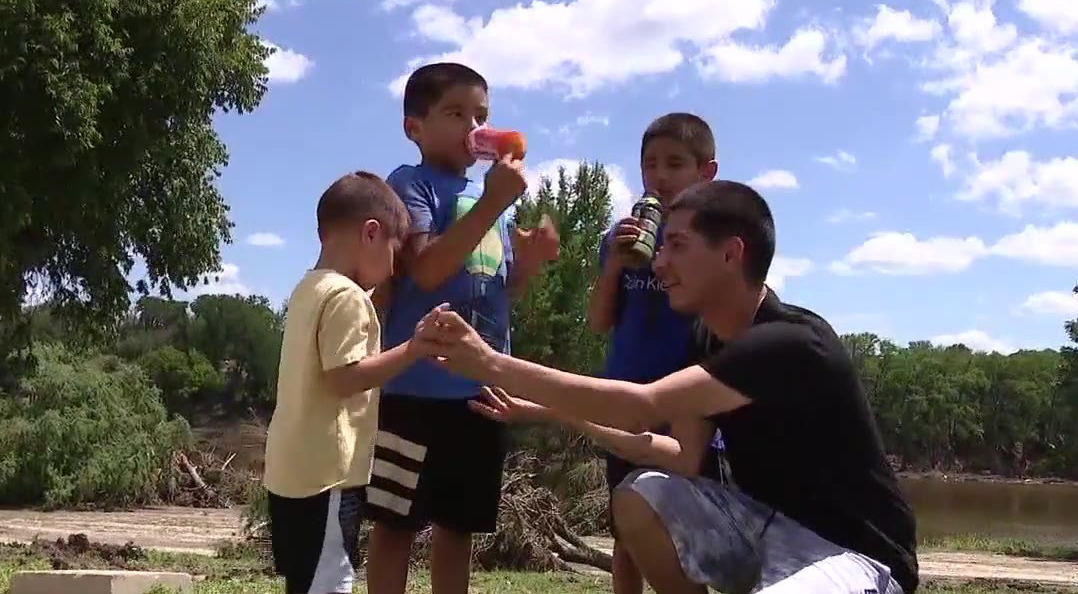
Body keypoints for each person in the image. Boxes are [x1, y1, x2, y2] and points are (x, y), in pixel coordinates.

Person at [424, 180, 920, 594]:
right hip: (760, 530)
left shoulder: (792, 343)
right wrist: (550, 412)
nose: (658, 264)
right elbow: (681, 456)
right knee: (641, 495)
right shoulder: (706, 339)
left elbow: (642, 406)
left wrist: (490, 362)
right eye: (661, 248)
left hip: (856, 556)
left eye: (677, 246)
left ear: (732, 253)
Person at [365, 62, 558, 594]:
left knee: (459, 526)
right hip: (414, 390)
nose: (474, 128)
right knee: (395, 523)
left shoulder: (485, 198)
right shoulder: (411, 184)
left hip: (479, 392)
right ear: (414, 128)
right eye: (455, 114)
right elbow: (425, 271)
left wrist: (530, 264)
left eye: (482, 116)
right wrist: (495, 200)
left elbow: (497, 289)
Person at [262, 171, 443, 594]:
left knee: (307, 582)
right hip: (327, 476)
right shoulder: (346, 296)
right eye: (394, 251)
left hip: (291, 473)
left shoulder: (308, 288)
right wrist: (413, 349)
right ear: (371, 233)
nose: (394, 267)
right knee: (330, 582)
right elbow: (344, 378)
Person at [584, 112, 719, 594]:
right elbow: (599, 321)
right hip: (627, 405)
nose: (659, 177)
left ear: (707, 173)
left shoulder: (713, 243)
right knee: (627, 533)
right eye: (650, 165)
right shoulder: (619, 238)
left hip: (688, 410)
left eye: (675, 164)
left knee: (686, 535)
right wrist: (614, 267)